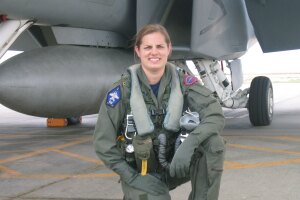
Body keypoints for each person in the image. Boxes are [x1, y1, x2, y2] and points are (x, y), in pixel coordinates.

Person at [94, 24, 225, 200]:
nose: (154, 52)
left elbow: (215, 115)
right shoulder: (122, 91)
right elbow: (103, 144)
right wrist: (130, 176)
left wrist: (191, 143)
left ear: (169, 49)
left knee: (213, 144)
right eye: (148, 47)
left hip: (176, 164)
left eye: (159, 46)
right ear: (138, 50)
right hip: (140, 172)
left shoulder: (183, 82)